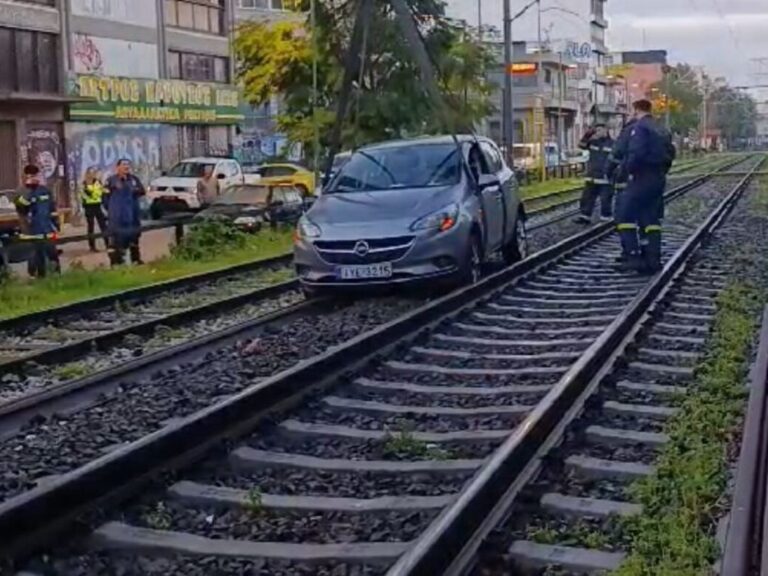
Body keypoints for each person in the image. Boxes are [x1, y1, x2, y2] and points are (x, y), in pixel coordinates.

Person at [615, 99, 676, 274]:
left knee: (624, 215)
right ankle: (652, 258)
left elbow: (636, 153)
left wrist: (629, 171)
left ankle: (633, 256)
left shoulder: (639, 128)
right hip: (658, 177)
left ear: (636, 110)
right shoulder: (661, 128)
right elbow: (671, 152)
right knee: (650, 218)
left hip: (641, 177)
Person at [14, 164, 60, 277]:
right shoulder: (21, 192)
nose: (34, 178)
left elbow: (52, 208)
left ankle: (56, 275)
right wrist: (29, 191)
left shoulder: (45, 190)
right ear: (25, 177)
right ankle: (37, 276)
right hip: (31, 231)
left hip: (47, 229)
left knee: (52, 253)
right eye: (31, 176)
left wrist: (56, 224)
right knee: (35, 256)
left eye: (36, 175)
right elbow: (22, 209)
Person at [104, 159, 145, 266]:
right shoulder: (111, 180)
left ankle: (136, 260)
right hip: (117, 217)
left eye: (128, 165)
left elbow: (142, 191)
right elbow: (105, 197)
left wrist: (134, 190)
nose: (126, 167)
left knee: (134, 238)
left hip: (132, 215)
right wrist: (111, 208)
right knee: (117, 240)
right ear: (117, 167)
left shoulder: (134, 179)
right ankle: (116, 263)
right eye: (124, 165)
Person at [574, 123, 615, 223]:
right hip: (592, 176)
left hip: (605, 177)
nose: (598, 132)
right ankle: (585, 216)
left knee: (605, 199)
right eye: (596, 130)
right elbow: (581, 145)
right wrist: (587, 134)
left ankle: (605, 217)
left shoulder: (613, 144)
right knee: (587, 197)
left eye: (600, 130)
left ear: (606, 130)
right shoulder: (593, 142)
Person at [81, 167, 109, 252]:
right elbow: (85, 195)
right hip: (89, 207)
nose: (92, 174)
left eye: (94, 173)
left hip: (97, 206)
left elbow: (101, 192)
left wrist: (95, 193)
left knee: (103, 225)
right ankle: (92, 246)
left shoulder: (97, 182)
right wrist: (94, 194)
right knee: (91, 227)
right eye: (91, 173)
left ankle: (108, 244)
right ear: (87, 174)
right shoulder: (84, 184)